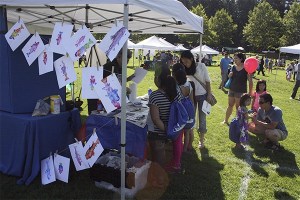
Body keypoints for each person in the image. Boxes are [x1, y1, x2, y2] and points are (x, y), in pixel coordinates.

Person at [147, 65, 183, 172]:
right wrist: (170, 130)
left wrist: (166, 130)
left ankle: (158, 177)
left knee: (158, 158)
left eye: (155, 76)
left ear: (158, 79)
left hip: (159, 132)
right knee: (161, 155)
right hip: (174, 128)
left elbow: (155, 119)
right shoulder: (177, 91)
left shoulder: (155, 95)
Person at [180, 50, 213, 148]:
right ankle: (190, 139)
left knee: (202, 119)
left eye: (186, 61)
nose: (185, 64)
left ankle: (201, 140)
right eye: (183, 62)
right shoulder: (183, 69)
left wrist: (209, 94)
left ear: (191, 59)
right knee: (191, 118)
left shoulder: (201, 66)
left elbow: (207, 81)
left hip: (203, 96)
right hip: (190, 97)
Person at [87, 48, 134, 114]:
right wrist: (124, 88)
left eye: (128, 60)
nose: (127, 62)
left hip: (106, 92)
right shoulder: (112, 66)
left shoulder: (120, 66)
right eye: (125, 59)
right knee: (96, 113)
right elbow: (112, 83)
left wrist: (129, 78)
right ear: (118, 57)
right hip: (95, 92)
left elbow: (119, 80)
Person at [222, 52, 253, 125]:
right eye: (234, 58)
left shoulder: (246, 68)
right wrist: (229, 75)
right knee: (230, 105)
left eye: (236, 58)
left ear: (241, 59)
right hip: (232, 89)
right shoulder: (233, 67)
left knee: (238, 107)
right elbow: (230, 77)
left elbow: (250, 81)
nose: (234, 60)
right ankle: (225, 120)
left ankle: (237, 122)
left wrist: (250, 92)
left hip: (241, 91)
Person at [172, 63, 195, 153]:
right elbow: (192, 99)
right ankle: (186, 148)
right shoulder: (189, 84)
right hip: (189, 112)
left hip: (180, 112)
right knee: (188, 132)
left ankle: (180, 147)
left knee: (180, 132)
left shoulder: (176, 87)